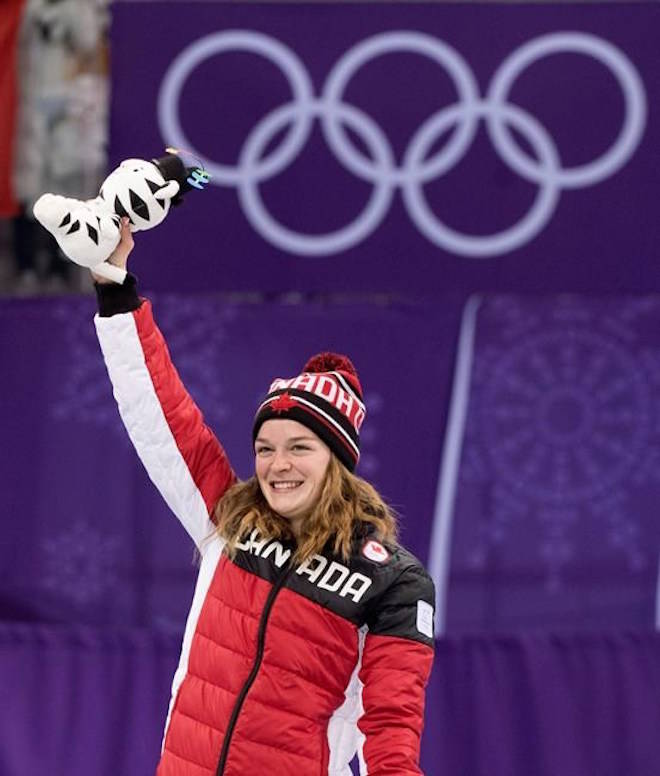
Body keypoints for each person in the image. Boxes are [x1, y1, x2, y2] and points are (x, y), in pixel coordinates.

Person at [92, 219, 436, 776]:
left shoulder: (392, 579)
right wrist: (115, 288)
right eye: (265, 447)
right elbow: (161, 416)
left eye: (300, 447)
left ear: (338, 461)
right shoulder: (231, 518)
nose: (278, 465)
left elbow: (392, 725)